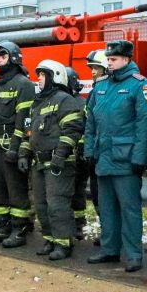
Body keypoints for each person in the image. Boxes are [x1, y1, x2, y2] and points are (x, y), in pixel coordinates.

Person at [84, 39, 147, 272]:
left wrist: (139, 159)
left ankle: (134, 254)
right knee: (106, 207)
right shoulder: (101, 86)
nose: (109, 63)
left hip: (125, 159)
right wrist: (89, 150)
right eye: (109, 59)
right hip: (103, 158)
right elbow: (91, 122)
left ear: (126, 59)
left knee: (130, 209)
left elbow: (146, 126)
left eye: (113, 59)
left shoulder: (140, 86)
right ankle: (109, 249)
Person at [19, 60, 84, 261]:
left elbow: (72, 129)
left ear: (54, 76)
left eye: (41, 75)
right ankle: (50, 239)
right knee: (41, 204)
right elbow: (30, 133)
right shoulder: (39, 104)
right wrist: (23, 153)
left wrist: (60, 154)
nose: (37, 79)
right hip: (39, 163)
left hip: (58, 164)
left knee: (57, 204)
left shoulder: (65, 100)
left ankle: (63, 243)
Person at [0, 41, 36, 244]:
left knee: (16, 191)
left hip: (11, 148)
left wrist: (15, 149)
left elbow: (24, 120)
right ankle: (2, 228)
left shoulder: (24, 85)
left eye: (2, 56)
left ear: (13, 58)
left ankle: (20, 229)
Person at [84, 49, 110, 246]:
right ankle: (106, 232)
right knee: (97, 197)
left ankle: (111, 234)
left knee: (108, 199)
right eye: (92, 68)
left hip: (107, 154)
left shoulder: (106, 92)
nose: (93, 72)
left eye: (96, 68)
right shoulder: (95, 92)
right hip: (96, 155)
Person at [65, 66, 89, 239]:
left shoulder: (78, 103)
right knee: (75, 191)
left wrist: (80, 149)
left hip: (77, 156)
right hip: (73, 154)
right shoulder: (75, 101)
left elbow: (84, 129)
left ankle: (78, 224)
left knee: (76, 191)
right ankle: (76, 224)